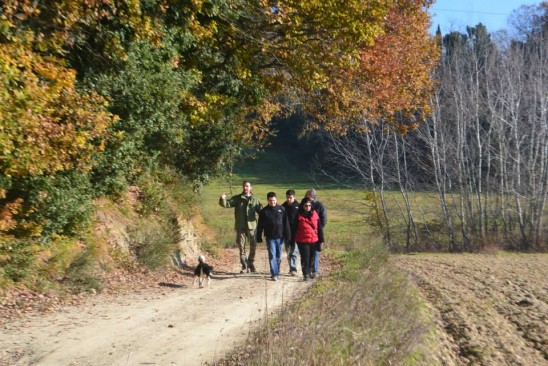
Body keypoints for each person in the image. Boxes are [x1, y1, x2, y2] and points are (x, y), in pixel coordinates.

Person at [219, 181, 262, 273]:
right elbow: (226, 204)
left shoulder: (255, 200)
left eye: (247, 186)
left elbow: (261, 213)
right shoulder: (238, 199)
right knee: (241, 247)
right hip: (240, 226)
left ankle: (250, 263)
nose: (245, 188)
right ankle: (244, 265)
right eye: (244, 186)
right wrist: (223, 199)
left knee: (253, 246)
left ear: (251, 188)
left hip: (252, 227)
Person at [256, 192, 291, 281]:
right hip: (270, 237)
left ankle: (277, 271)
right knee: (272, 256)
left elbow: (286, 224)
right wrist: (258, 236)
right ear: (268, 200)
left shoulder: (282, 209)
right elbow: (260, 225)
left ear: (276, 199)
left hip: (280, 237)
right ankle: (274, 274)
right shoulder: (264, 211)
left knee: (278, 256)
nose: (273, 202)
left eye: (274, 200)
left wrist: (288, 235)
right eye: (271, 201)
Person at [292, 197, 324, 281]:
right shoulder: (298, 215)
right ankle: (305, 274)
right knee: (305, 258)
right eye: (306, 205)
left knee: (312, 257)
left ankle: (310, 272)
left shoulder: (315, 214)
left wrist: (322, 240)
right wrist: (292, 241)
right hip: (302, 240)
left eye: (309, 205)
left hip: (314, 240)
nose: (308, 207)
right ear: (302, 206)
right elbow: (294, 229)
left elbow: (319, 228)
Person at [305, 188, 327, 278]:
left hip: (317, 233)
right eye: (307, 195)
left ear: (313, 196)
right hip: (306, 233)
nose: (307, 197)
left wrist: (318, 229)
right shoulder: (304, 204)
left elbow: (324, 219)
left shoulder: (319, 205)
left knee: (316, 252)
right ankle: (308, 270)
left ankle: (314, 271)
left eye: (309, 195)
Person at [281, 189, 299, 276]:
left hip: (295, 233)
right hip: (286, 233)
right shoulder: (283, 207)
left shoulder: (298, 207)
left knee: (294, 251)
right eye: (287, 197)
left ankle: (294, 269)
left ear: (294, 197)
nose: (288, 199)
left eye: (290, 197)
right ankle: (291, 267)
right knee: (288, 252)